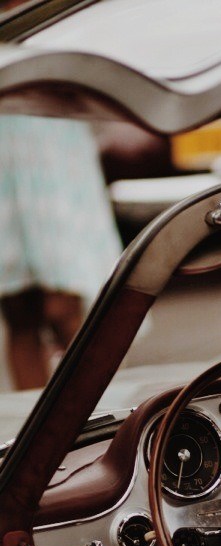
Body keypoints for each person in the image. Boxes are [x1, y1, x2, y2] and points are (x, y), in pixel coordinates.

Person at [0, 114, 122, 389]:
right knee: (19, 309)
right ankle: (33, 423)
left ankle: (90, 412)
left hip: (49, 134)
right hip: (6, 141)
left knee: (65, 304)